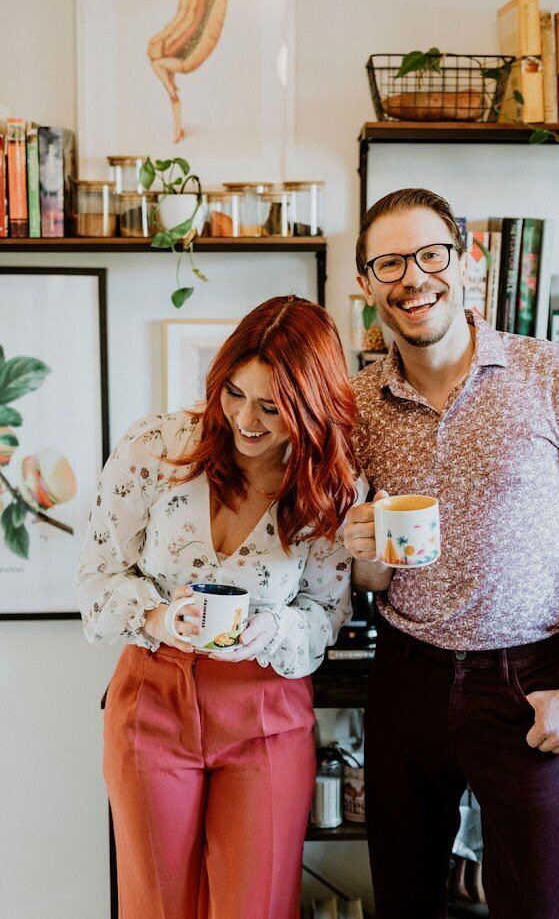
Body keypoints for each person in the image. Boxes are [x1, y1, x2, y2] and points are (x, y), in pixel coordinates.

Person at [344, 189, 559, 919]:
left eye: (429, 254)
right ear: (366, 284)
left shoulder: (553, 375)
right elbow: (374, 578)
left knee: (537, 905)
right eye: (389, 263)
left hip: (528, 679)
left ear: (464, 259)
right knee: (405, 902)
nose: (413, 278)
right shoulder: (356, 404)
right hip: (406, 674)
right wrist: (362, 549)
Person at [76, 295, 363, 919]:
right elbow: (98, 577)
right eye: (234, 393)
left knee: (255, 908)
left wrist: (273, 628)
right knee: (155, 907)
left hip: (265, 711)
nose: (245, 420)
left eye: (272, 406)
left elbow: (325, 611)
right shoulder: (156, 446)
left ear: (311, 408)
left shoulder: (329, 486)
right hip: (152, 699)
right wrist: (155, 616)